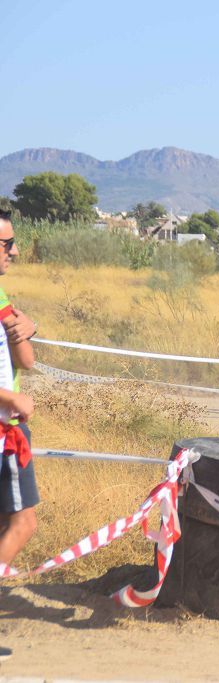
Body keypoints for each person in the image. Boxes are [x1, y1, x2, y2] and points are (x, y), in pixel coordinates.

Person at [0, 210, 39, 582]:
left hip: (10, 431)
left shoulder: (0, 295)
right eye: (7, 243)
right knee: (24, 523)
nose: (14, 251)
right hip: (6, 427)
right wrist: (11, 400)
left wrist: (28, 325)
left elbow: (26, 360)